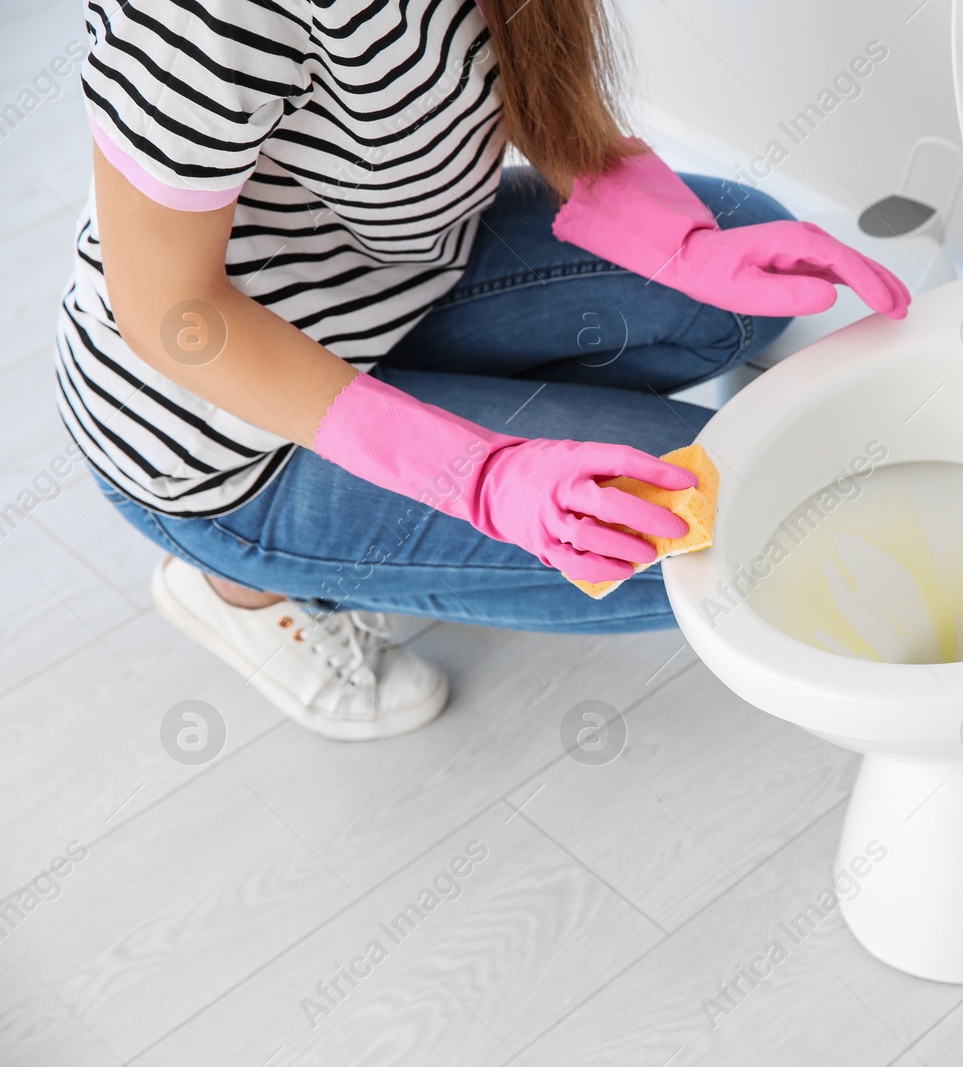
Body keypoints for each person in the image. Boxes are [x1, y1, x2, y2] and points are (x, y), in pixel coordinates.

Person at [62, 0, 909, 741]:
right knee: (728, 535)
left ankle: (457, 439)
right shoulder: (198, 15)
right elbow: (172, 312)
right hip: (226, 430)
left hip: (394, 286)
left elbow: (517, 70)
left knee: (739, 267)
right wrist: (478, 474)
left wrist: (677, 243)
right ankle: (239, 580)